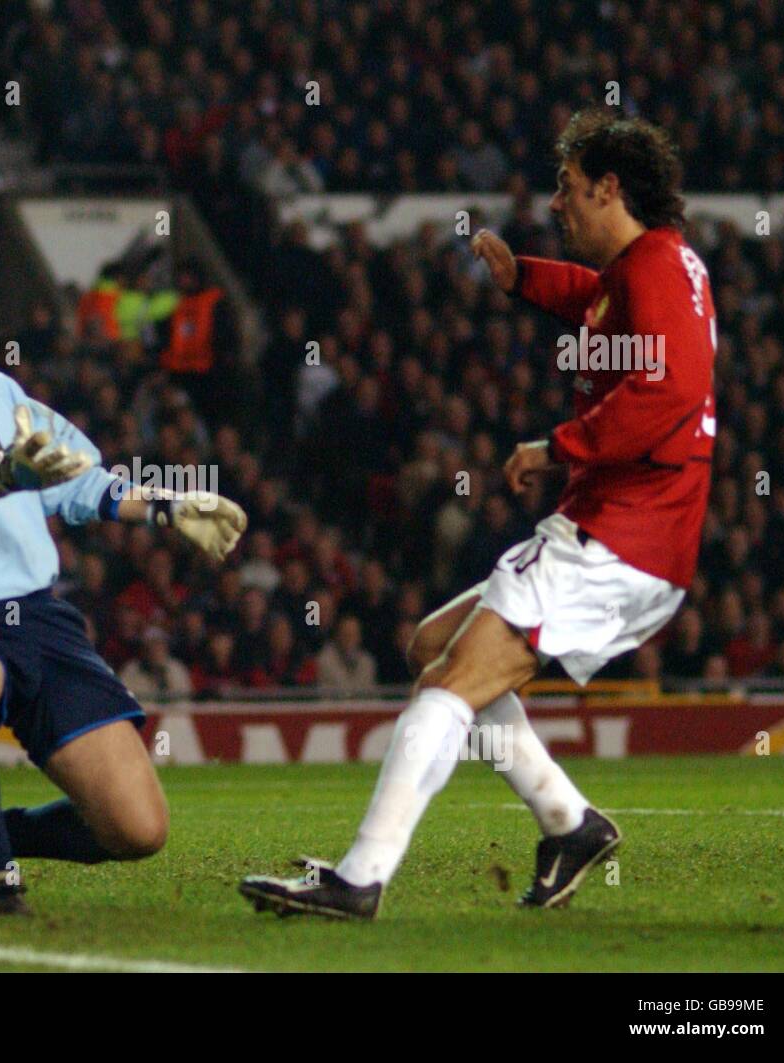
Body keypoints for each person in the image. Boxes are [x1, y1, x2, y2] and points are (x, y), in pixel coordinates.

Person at [240, 110, 716, 918]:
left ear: (608, 188)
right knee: (434, 644)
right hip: (637, 535)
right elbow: (600, 305)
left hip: (618, 535)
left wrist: (558, 445)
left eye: (568, 190)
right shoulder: (654, 266)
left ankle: (359, 878)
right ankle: (569, 823)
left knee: (449, 683)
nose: (557, 204)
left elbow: (667, 391)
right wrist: (523, 277)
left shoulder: (655, 271)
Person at [0, 259, 247, 914]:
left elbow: (79, 478)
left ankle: (2, 832)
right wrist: (8, 473)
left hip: (41, 619)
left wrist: (166, 508)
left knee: (138, 829)